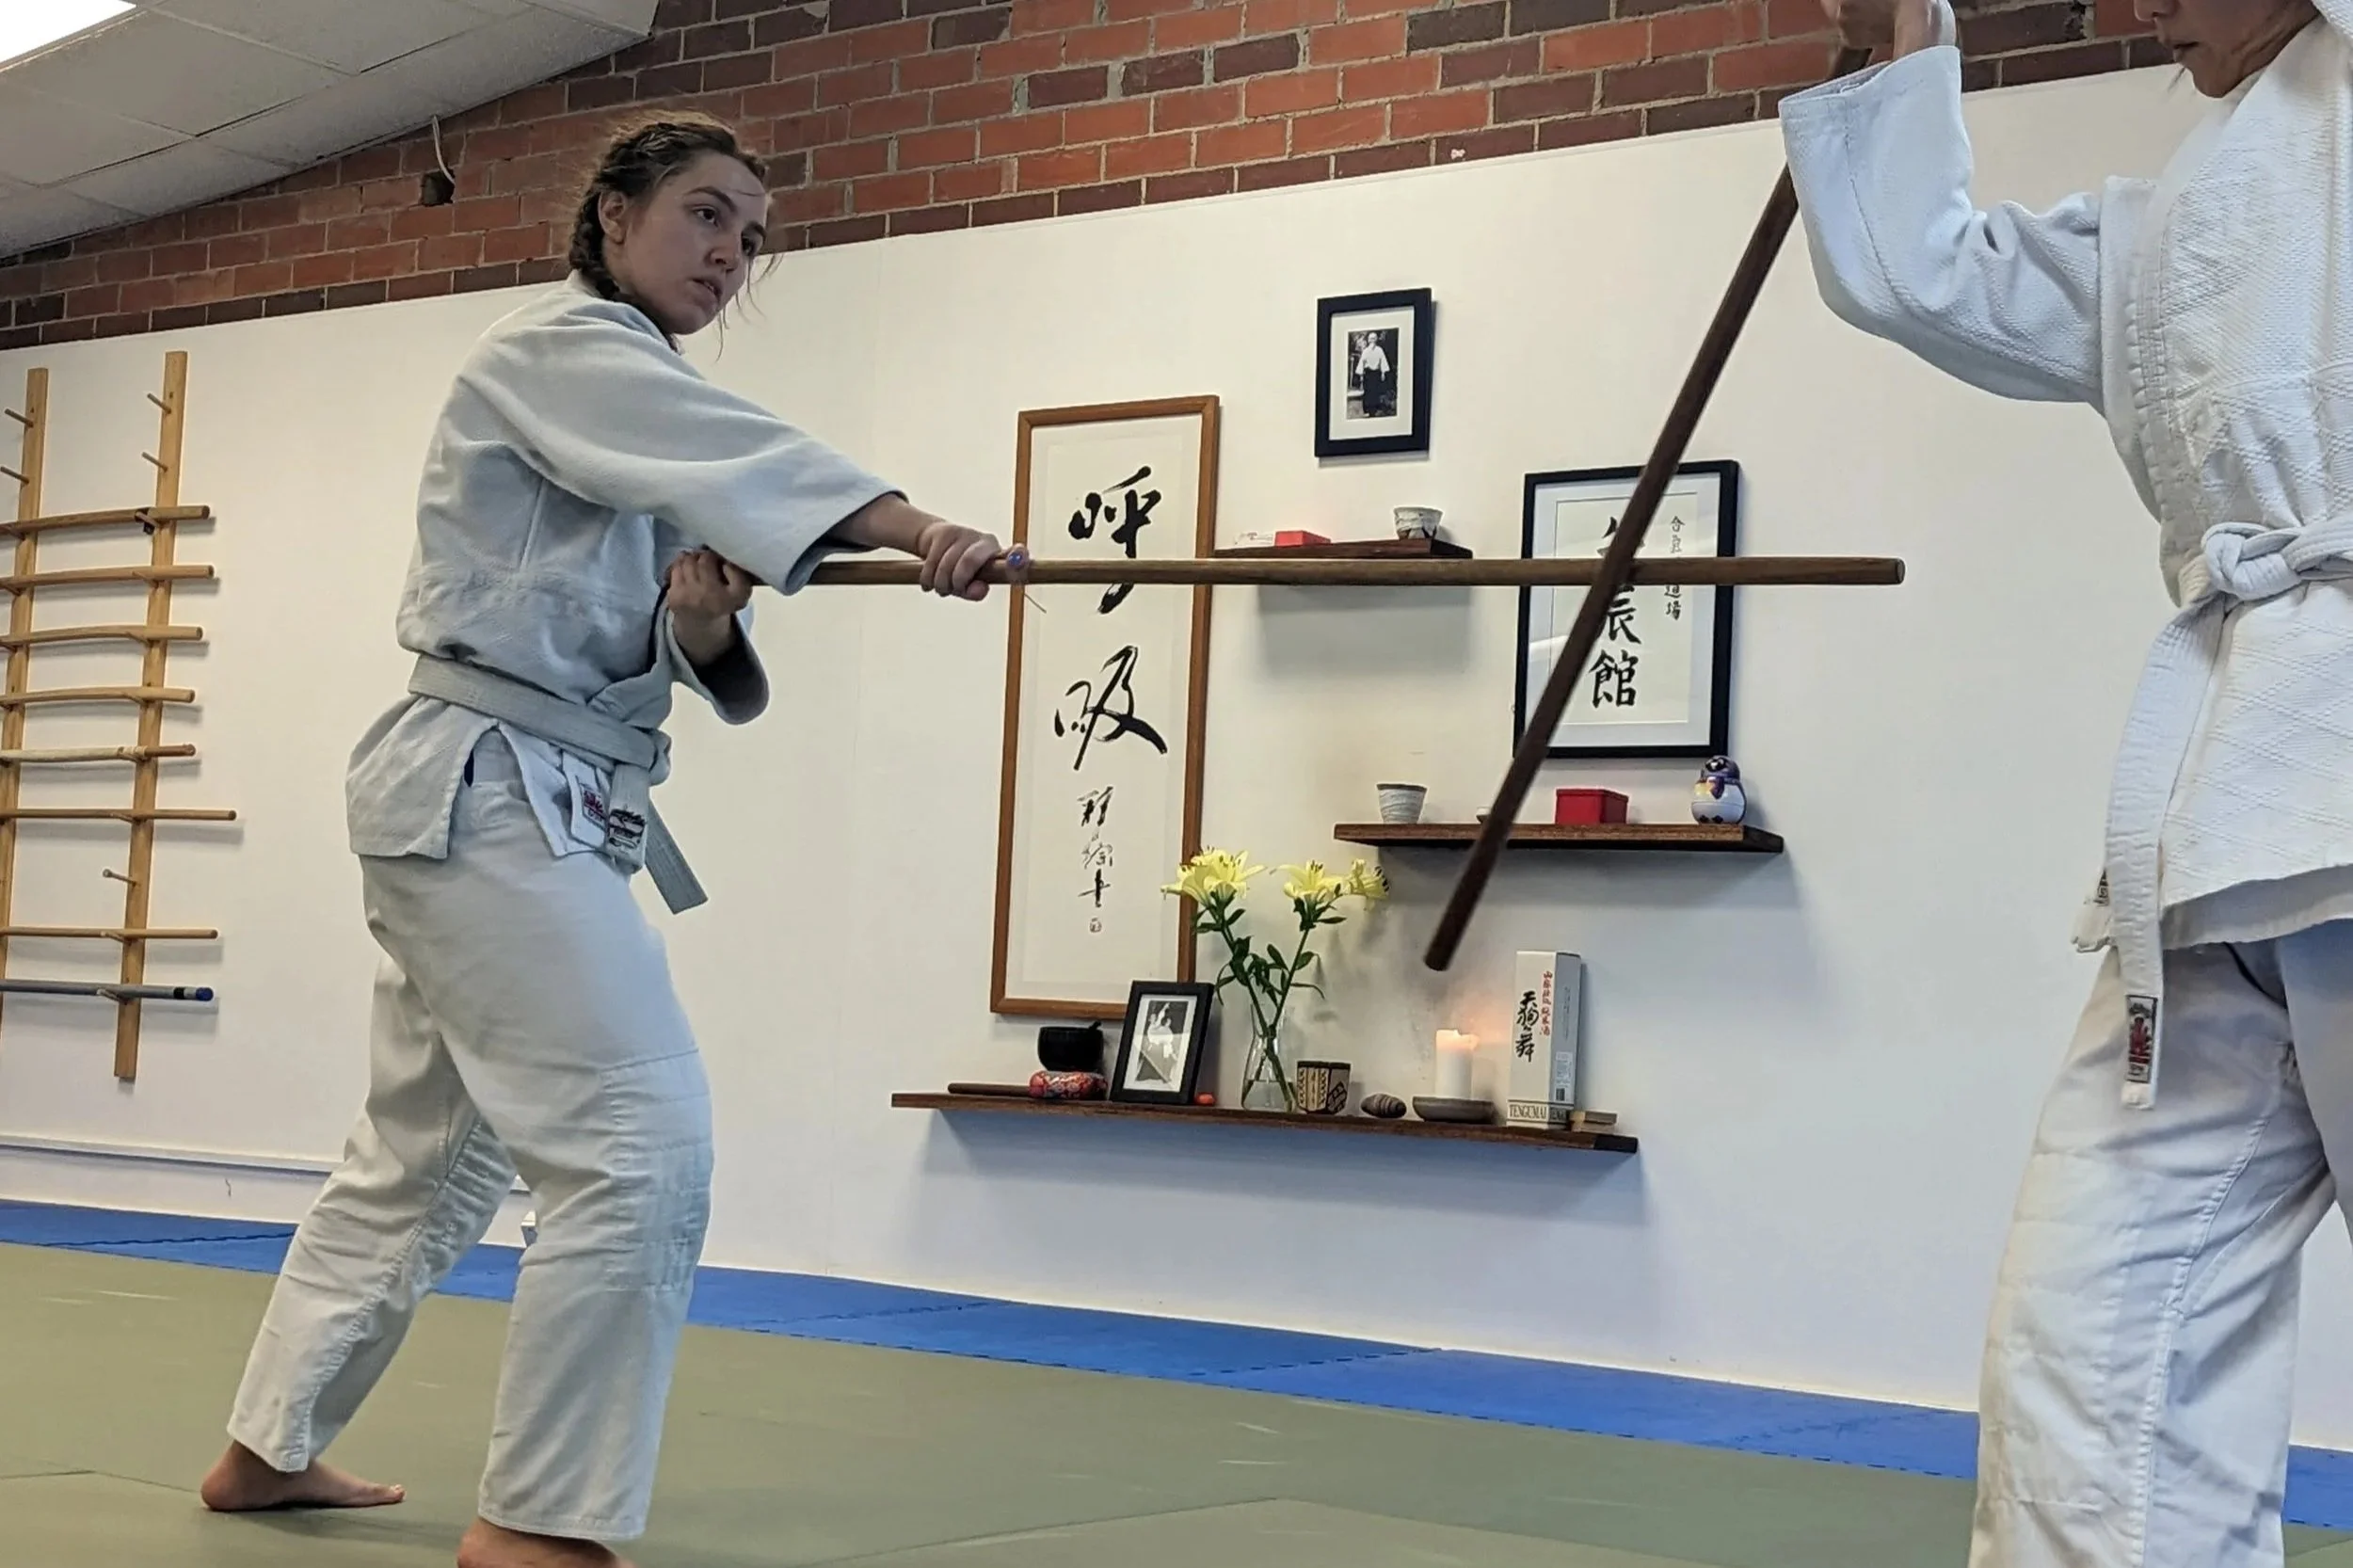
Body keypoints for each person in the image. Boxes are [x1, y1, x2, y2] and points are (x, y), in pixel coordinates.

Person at [196, 114, 1010, 1568]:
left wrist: (701, 618)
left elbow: (702, 665)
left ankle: (269, 1444)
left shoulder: (642, 417)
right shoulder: (560, 351)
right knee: (637, 1141)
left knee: (428, 1157)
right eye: (705, 213)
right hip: (488, 791)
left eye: (752, 234)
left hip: (527, 796)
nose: (731, 251)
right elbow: (752, 456)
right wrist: (920, 528)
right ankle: (539, 1524)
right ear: (614, 214)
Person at [1782, 0, 2353, 1562]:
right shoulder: (2168, 228)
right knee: (2089, 1349)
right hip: (2221, 825)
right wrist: (1897, 36)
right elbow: (1919, 270)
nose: (2134, 15)